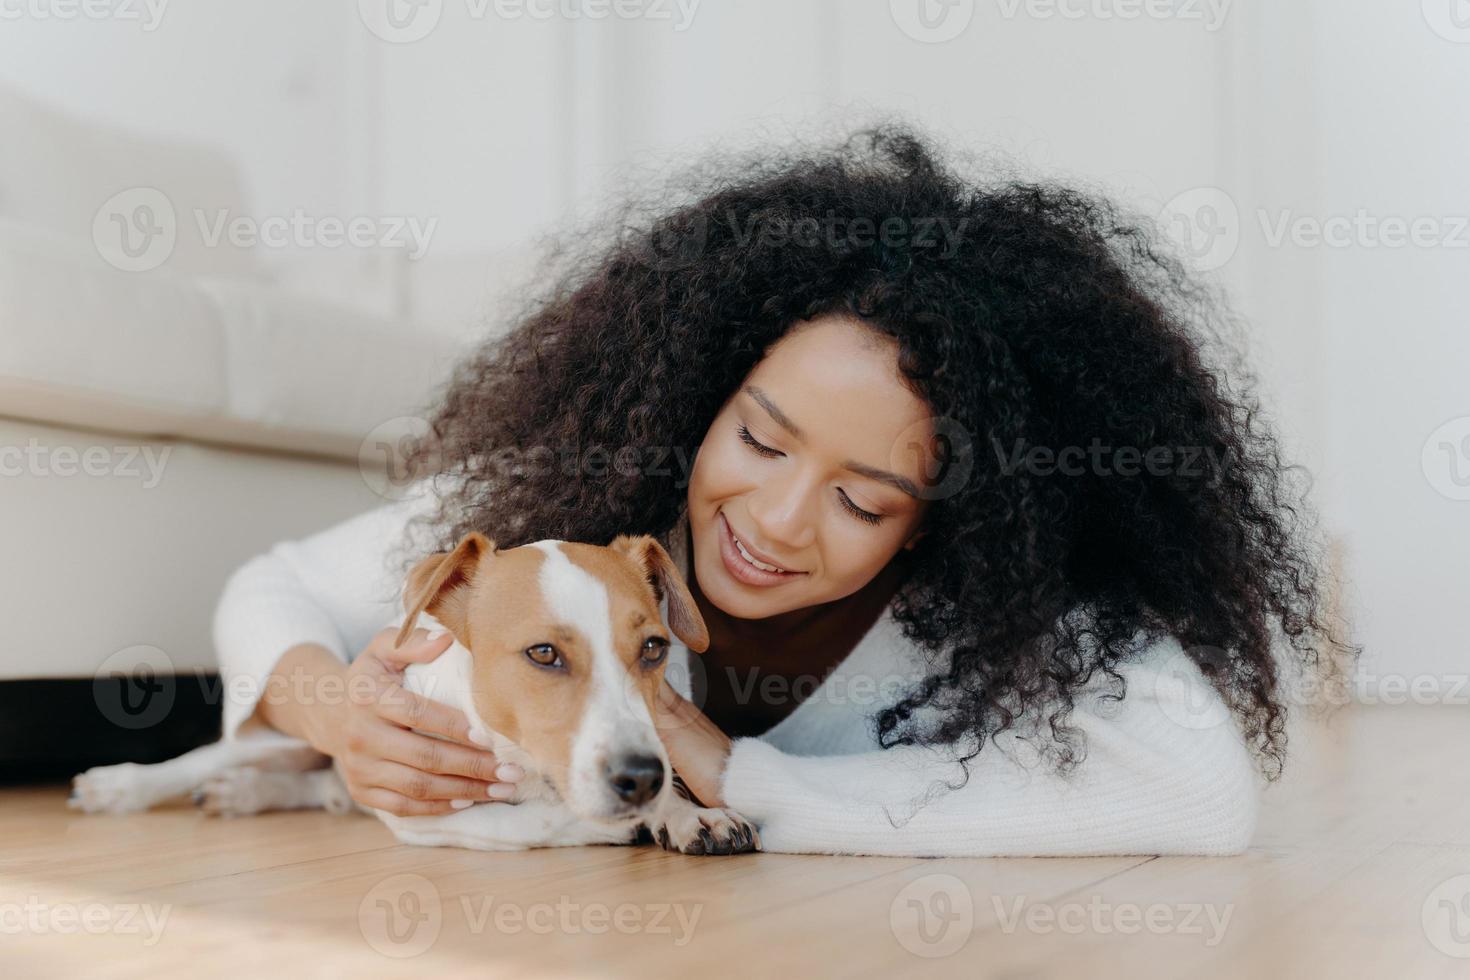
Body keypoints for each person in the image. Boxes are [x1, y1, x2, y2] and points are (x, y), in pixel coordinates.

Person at [212, 125, 1354, 857]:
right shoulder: (572, 527)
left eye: (865, 502)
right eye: (760, 438)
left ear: (952, 519)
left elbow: (1201, 791)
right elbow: (277, 588)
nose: (775, 521)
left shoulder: (986, 614)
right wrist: (335, 715)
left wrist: (735, 770)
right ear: (702, 389)